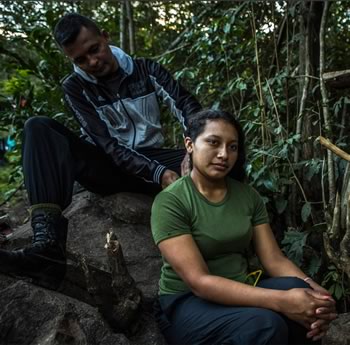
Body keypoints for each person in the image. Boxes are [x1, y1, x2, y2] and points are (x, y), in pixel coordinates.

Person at [0, 13, 201, 288]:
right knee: (38, 127)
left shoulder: (147, 70)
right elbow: (108, 146)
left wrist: (193, 150)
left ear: (105, 37)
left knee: (218, 146)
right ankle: (47, 248)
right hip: (107, 167)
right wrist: (160, 174)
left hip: (152, 156)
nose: (92, 62)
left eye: (94, 49)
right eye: (80, 60)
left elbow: (189, 107)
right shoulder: (75, 87)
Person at [151, 109, 337, 345]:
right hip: (187, 302)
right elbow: (200, 282)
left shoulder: (248, 196)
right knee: (265, 324)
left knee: (300, 292)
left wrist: (314, 291)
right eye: (213, 142)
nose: (223, 154)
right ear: (189, 144)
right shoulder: (170, 201)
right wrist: (282, 301)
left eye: (232, 147)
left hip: (240, 287)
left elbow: (274, 260)